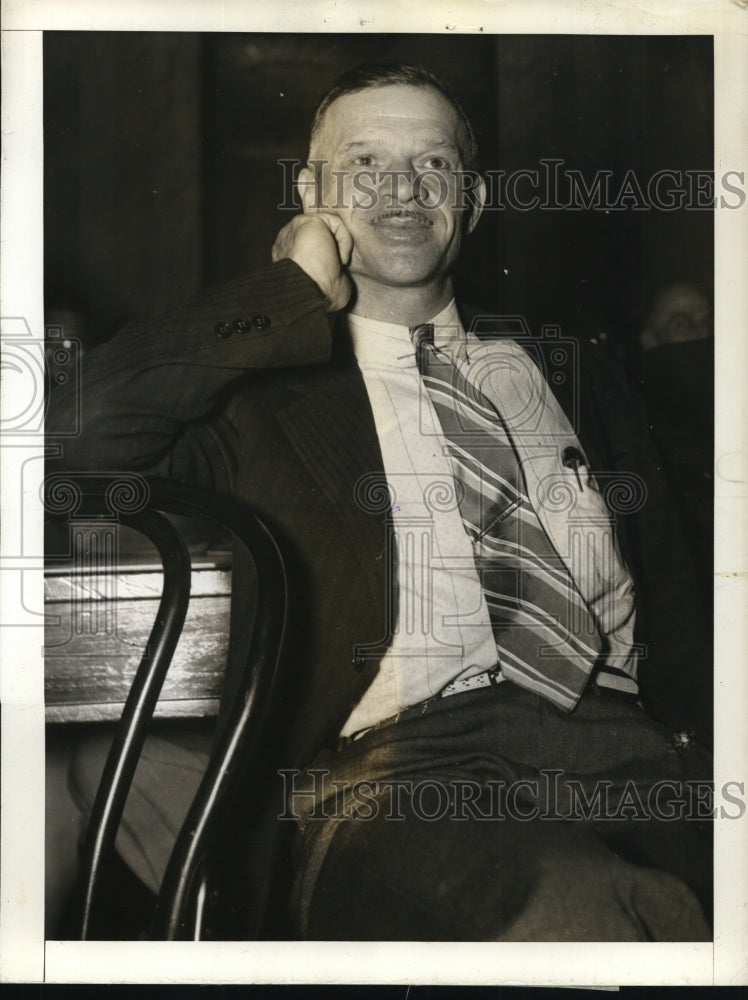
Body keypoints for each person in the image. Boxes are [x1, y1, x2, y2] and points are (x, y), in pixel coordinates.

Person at [48, 63, 712, 941]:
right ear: (310, 194)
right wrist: (292, 291)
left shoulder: (572, 372)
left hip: (634, 757)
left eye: (434, 164)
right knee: (578, 917)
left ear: (472, 200)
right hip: (401, 780)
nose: (403, 188)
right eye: (365, 163)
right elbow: (71, 434)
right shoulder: (256, 399)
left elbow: (684, 594)